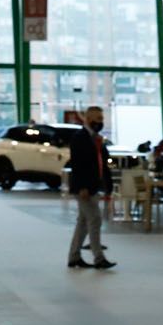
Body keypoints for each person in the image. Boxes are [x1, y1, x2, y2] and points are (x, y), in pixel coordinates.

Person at [66, 105, 115, 271]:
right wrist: (82, 187)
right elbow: (78, 165)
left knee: (83, 222)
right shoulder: (79, 138)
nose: (101, 122)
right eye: (98, 119)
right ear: (88, 119)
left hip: (94, 186)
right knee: (95, 219)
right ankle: (98, 258)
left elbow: (103, 164)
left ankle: (74, 257)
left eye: (102, 119)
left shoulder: (97, 139)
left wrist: (108, 185)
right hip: (84, 188)